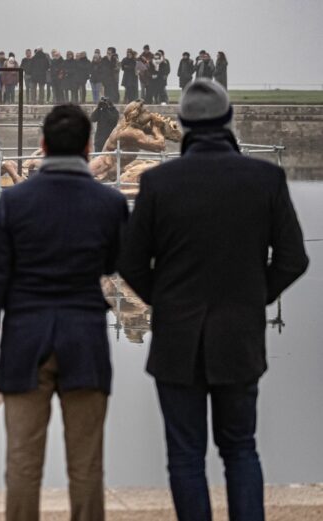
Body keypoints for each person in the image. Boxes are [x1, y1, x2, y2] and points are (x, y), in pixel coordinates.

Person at [118, 80, 309, 521]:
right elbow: (294, 259)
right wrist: (257, 295)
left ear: (183, 125)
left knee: (185, 456)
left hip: (176, 338)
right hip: (239, 335)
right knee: (240, 448)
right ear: (228, 121)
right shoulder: (265, 178)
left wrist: (162, 300)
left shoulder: (160, 182)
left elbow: (129, 262)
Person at [0, 104, 127, 521]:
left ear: (42, 145)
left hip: (26, 341)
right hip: (85, 339)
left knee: (23, 464)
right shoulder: (110, 203)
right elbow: (115, 263)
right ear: (88, 146)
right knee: (86, 465)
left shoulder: (14, 201)